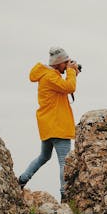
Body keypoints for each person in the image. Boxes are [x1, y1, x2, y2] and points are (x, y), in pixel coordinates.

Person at [18, 46, 80, 201]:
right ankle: (65, 195)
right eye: (65, 62)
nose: (66, 65)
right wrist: (72, 72)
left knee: (44, 156)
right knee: (64, 162)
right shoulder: (50, 77)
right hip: (57, 125)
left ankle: (22, 179)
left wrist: (72, 72)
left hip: (48, 124)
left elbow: (64, 87)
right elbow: (69, 87)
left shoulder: (49, 75)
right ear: (58, 63)